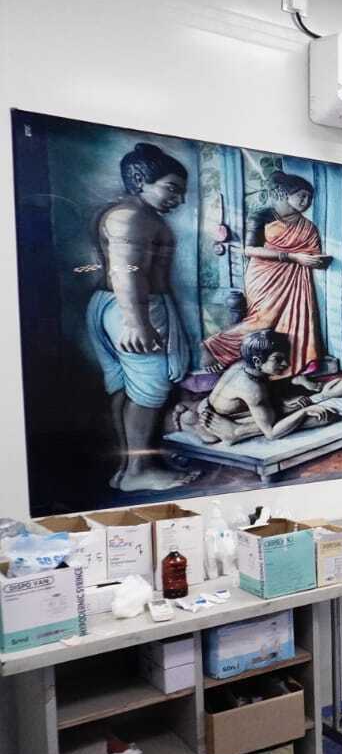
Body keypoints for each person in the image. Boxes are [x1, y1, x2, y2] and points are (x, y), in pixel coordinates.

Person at [86, 142, 199, 492]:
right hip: (134, 308)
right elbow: (126, 271)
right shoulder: (131, 217)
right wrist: (138, 322)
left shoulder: (133, 215)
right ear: (139, 181)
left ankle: (127, 469)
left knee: (127, 387)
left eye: (181, 192)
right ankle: (138, 470)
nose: (179, 199)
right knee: (149, 390)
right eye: (171, 189)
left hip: (117, 305)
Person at [203, 172, 331, 376]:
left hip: (296, 279)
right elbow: (249, 250)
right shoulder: (262, 216)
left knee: (289, 323)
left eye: (309, 197)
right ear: (285, 194)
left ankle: (287, 366)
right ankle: (213, 347)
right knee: (262, 321)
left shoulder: (308, 227)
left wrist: (316, 261)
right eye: (302, 195)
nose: (306, 201)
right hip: (264, 275)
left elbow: (312, 253)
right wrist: (292, 257)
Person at [176, 329, 334, 445]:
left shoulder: (243, 366)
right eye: (278, 359)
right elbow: (271, 433)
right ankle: (232, 432)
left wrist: (289, 394)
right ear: (258, 361)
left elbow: (266, 387)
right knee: (318, 418)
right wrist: (303, 412)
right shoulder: (253, 389)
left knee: (295, 405)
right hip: (219, 424)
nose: (286, 364)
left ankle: (192, 419)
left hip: (214, 409)